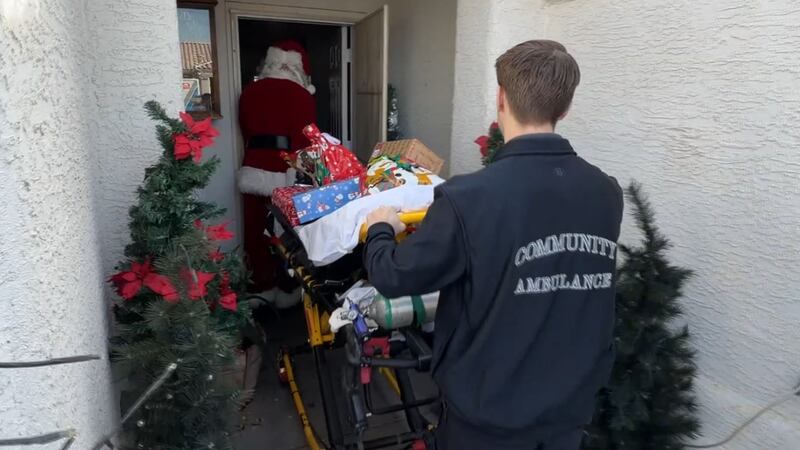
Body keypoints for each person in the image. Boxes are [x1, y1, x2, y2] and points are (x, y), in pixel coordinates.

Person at [362, 40, 623, 450]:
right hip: (569, 410)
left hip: (487, 418)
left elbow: (394, 274)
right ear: (565, 108)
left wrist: (381, 228)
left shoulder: (470, 198)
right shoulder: (605, 192)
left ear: (501, 100)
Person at [238, 40, 316, 306]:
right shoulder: (302, 96)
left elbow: (246, 132)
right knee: (288, 236)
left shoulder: (249, 93)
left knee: (254, 230)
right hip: (286, 171)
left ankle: (260, 288)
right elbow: (307, 140)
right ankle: (286, 289)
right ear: (298, 66)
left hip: (253, 166)